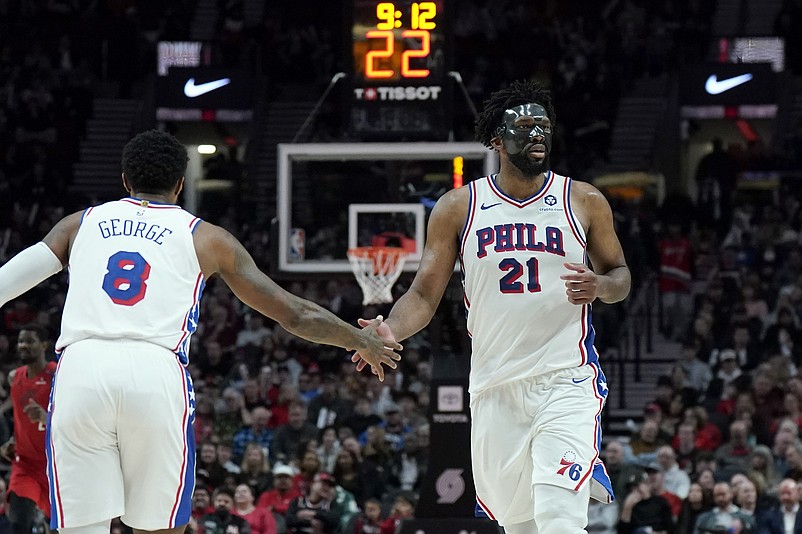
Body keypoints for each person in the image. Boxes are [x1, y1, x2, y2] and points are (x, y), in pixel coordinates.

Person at [0, 129, 402, 534]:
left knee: (80, 527)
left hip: (81, 369)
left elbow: (7, 282)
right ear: (179, 184)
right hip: (154, 370)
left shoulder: (79, 224)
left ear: (124, 180)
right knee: (159, 526)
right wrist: (361, 340)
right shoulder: (207, 237)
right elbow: (294, 314)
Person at [354, 79, 631, 533]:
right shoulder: (459, 206)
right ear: (497, 140)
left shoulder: (583, 200)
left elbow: (621, 277)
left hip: (565, 378)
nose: (537, 134)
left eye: (544, 125)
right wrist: (391, 330)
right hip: (493, 385)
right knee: (519, 525)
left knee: (560, 518)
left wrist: (600, 285)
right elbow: (424, 294)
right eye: (525, 126)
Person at [0, 323, 56, 534]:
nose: (23, 345)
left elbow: (76, 416)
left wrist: (47, 416)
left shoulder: (56, 375)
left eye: (30, 341)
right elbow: (19, 417)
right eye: (21, 341)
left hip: (54, 464)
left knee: (59, 527)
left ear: (43, 345)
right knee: (19, 522)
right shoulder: (15, 377)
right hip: (25, 464)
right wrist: (14, 440)